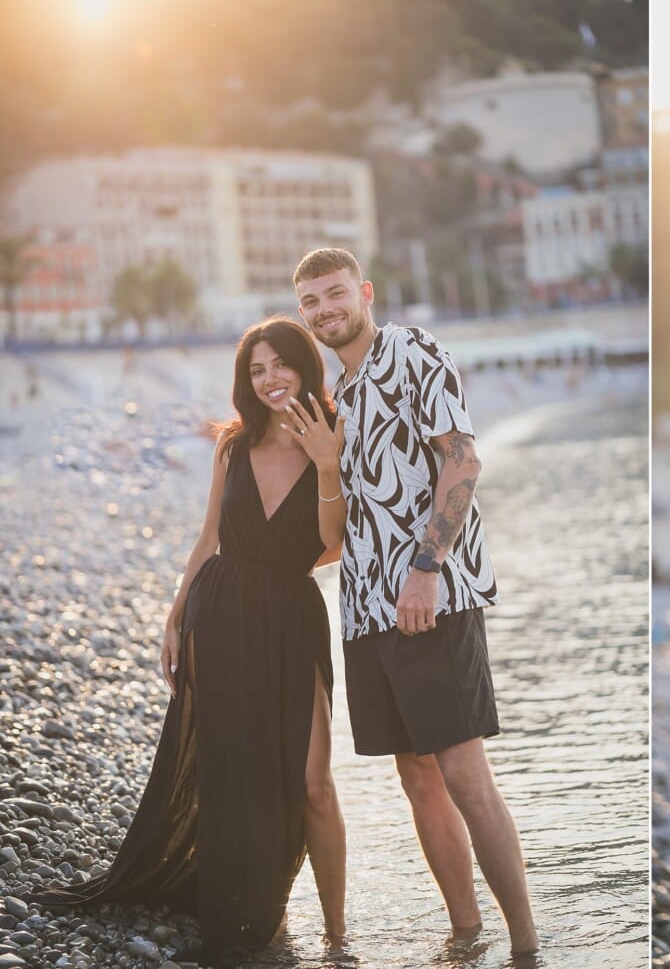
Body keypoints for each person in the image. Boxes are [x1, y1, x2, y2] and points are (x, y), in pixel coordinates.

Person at [32, 317, 349, 962]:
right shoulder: (232, 445)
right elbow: (209, 538)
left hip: (290, 614)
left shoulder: (335, 435)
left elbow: (333, 544)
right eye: (256, 370)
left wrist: (326, 464)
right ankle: (241, 903)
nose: (269, 380)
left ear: (303, 366)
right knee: (228, 767)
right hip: (222, 609)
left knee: (313, 779)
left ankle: (339, 936)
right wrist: (176, 613)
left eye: (279, 365)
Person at [292, 247, 539, 954]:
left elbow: (462, 458)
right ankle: (466, 933)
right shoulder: (336, 393)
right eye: (310, 302)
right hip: (367, 609)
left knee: (463, 771)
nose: (325, 310)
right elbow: (340, 530)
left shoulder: (411, 349)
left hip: (432, 595)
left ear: (364, 292)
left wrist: (427, 565)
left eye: (335, 293)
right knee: (416, 775)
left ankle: (526, 945)